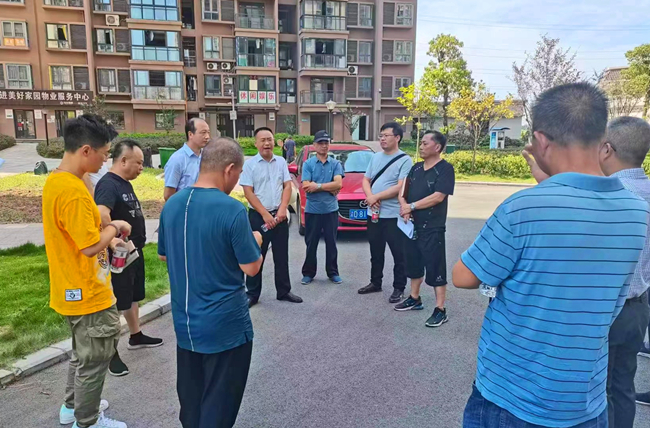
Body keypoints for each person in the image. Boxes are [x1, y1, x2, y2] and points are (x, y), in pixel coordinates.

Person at [453, 83, 649, 428]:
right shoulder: (637, 211)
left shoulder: (523, 208)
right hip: (585, 400)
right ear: (601, 138)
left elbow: (463, 276)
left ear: (541, 140)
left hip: (512, 396)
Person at [158, 137, 262, 428]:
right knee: (218, 407)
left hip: (186, 324)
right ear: (229, 169)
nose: (237, 181)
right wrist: (255, 240)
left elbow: (164, 255)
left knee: (191, 404)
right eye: (238, 174)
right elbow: (252, 267)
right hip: (225, 328)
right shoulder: (232, 209)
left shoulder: (172, 204)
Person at [43, 114, 132, 428]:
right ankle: (88, 421)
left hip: (72, 287)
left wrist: (106, 230)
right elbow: (91, 246)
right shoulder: (72, 191)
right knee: (95, 358)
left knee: (83, 354)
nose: (105, 161)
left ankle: (73, 408)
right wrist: (116, 227)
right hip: (88, 291)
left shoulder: (59, 181)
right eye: (104, 154)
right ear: (85, 150)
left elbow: (83, 234)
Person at [596, 117, 650, 428]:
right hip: (639, 307)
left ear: (606, 149)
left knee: (598, 392)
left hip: (609, 309)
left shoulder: (612, 195)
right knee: (623, 386)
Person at [94, 139, 164, 378]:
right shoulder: (108, 185)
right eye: (139, 163)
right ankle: (110, 353)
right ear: (123, 160)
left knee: (133, 296)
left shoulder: (124, 183)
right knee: (116, 303)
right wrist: (114, 241)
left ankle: (136, 335)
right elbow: (102, 213)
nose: (142, 167)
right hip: (119, 255)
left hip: (135, 251)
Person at [396, 130, 455, 328]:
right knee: (413, 263)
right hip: (411, 226)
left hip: (433, 227)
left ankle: (440, 309)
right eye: (420, 143)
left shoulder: (445, 169)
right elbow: (403, 191)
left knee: (436, 267)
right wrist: (404, 206)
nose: (420, 146)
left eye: (424, 143)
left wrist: (411, 207)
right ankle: (415, 298)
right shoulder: (416, 168)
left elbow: (438, 196)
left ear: (437, 147)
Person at [240, 127, 303, 307]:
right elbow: (248, 192)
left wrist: (283, 209)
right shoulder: (250, 165)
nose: (267, 143)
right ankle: (252, 294)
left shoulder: (281, 162)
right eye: (263, 140)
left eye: (270, 139)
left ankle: (283, 291)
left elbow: (287, 186)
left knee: (281, 255)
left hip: (280, 215)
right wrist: (265, 214)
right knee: (256, 254)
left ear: (274, 142)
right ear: (256, 143)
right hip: (258, 217)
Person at [358, 122, 413, 303]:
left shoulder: (405, 160)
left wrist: (376, 197)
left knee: (399, 253)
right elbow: (366, 179)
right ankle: (375, 282)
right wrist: (370, 197)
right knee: (376, 251)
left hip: (392, 215)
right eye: (380, 135)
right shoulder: (375, 157)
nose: (382, 139)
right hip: (373, 214)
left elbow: (400, 187)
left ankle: (399, 287)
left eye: (386, 135)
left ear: (397, 137)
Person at [300, 130, 344, 285]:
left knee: (331, 243)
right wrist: (329, 187)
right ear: (314, 145)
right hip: (313, 210)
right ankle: (308, 273)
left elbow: (338, 184)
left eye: (326, 143)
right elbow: (306, 185)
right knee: (311, 244)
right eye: (320, 143)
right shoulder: (308, 164)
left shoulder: (336, 164)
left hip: (331, 210)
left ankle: (333, 272)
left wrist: (317, 186)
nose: (324, 146)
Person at [163, 118, 210, 201]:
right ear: (190, 134)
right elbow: (168, 195)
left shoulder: (207, 157)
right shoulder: (177, 159)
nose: (207, 137)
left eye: (208, 132)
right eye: (203, 133)